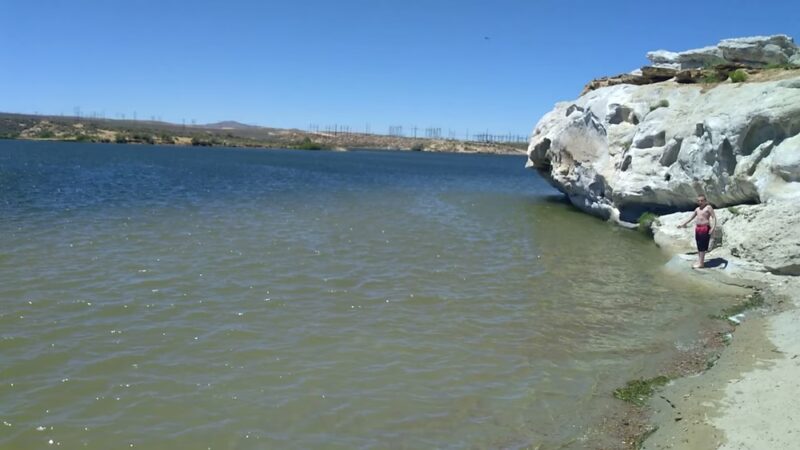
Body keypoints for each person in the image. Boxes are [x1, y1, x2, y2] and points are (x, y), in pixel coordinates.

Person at [678, 195, 716, 268]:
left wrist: (713, 228)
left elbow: (714, 218)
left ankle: (701, 264)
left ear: (705, 201)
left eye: (702, 200)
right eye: (699, 201)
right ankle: (700, 261)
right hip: (698, 228)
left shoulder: (708, 207)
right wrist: (683, 224)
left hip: (705, 228)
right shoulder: (697, 209)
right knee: (699, 245)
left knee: (702, 246)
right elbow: (691, 218)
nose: (700, 202)